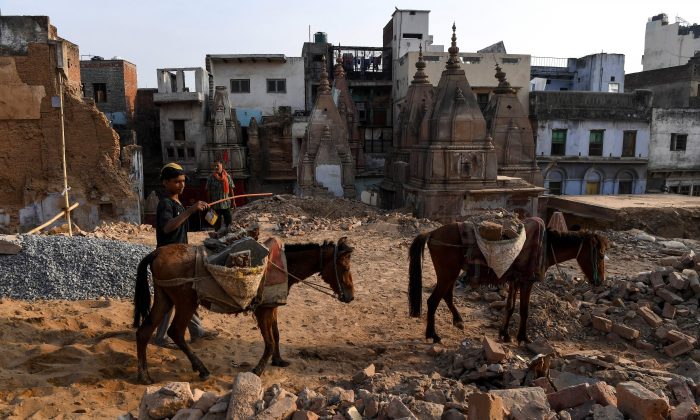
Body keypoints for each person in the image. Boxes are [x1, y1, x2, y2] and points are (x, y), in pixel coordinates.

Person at [154, 163, 219, 347]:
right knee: (171, 299)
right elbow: (168, 227)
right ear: (165, 182)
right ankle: (161, 337)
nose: (181, 185)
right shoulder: (165, 204)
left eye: (183, 181)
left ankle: (197, 332)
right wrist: (190, 211)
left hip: (179, 257)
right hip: (169, 260)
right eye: (176, 182)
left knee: (188, 295)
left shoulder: (178, 204)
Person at [206, 160, 235, 230]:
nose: (216, 167)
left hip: (226, 204)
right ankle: (217, 238)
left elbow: (231, 190)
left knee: (229, 222)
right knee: (217, 224)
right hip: (216, 205)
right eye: (214, 166)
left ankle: (228, 237)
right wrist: (209, 204)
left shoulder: (227, 177)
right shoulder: (210, 178)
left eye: (217, 165)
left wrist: (233, 201)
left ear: (222, 166)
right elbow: (208, 191)